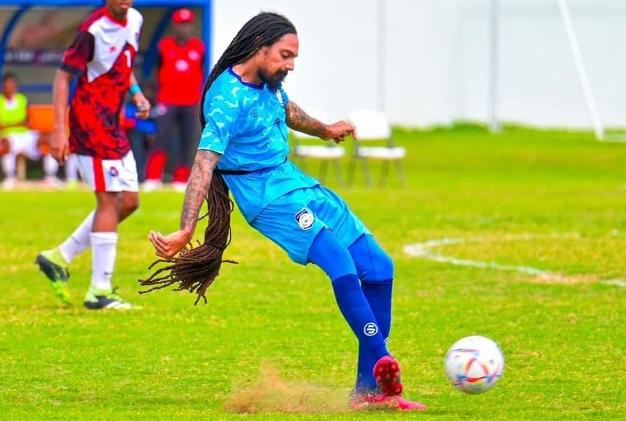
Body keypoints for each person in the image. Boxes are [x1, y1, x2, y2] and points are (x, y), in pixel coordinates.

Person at [141, 13, 425, 411]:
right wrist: (187, 228)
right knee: (339, 260)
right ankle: (381, 360)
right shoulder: (227, 96)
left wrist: (325, 130)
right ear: (260, 47)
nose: (290, 65)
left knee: (379, 267)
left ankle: (369, 392)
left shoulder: (270, 85)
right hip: (269, 199)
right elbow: (204, 163)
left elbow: (287, 112)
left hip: (297, 184)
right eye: (285, 55)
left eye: (294, 57)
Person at [35, 0, 150, 310]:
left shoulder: (135, 20)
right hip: (90, 124)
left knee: (128, 201)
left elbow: (123, 66)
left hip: (113, 124)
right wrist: (60, 129)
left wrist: (136, 92)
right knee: (109, 201)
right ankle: (99, 292)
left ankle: (60, 257)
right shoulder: (93, 30)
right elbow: (62, 77)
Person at [142, 8, 204, 191]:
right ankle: (153, 177)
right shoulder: (164, 46)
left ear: (191, 26)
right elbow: (155, 70)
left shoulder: (199, 47)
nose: (184, 28)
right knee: (160, 138)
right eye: (180, 24)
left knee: (187, 140)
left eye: (187, 24)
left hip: (190, 101)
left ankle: (181, 179)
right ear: (174, 26)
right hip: (167, 100)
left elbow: (202, 71)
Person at [0, 73, 60, 189]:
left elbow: (28, 123)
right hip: (7, 136)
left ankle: (50, 176)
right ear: (3, 86)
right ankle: (10, 177)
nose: (10, 88)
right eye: (7, 85)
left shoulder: (23, 99)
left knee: (50, 139)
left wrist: (9, 124)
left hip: (25, 134)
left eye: (13, 85)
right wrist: (17, 123)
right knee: (7, 143)